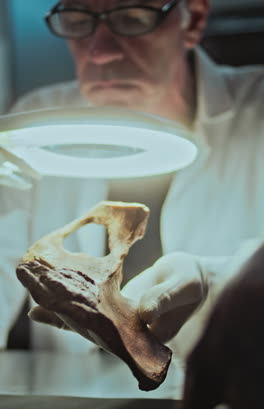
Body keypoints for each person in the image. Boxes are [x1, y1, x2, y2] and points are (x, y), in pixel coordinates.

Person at [1, 0, 264, 356]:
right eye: (78, 22)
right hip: (73, 401)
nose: (101, 51)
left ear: (194, 20)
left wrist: (218, 279)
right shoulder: (30, 130)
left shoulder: (257, 111)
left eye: (132, 19)